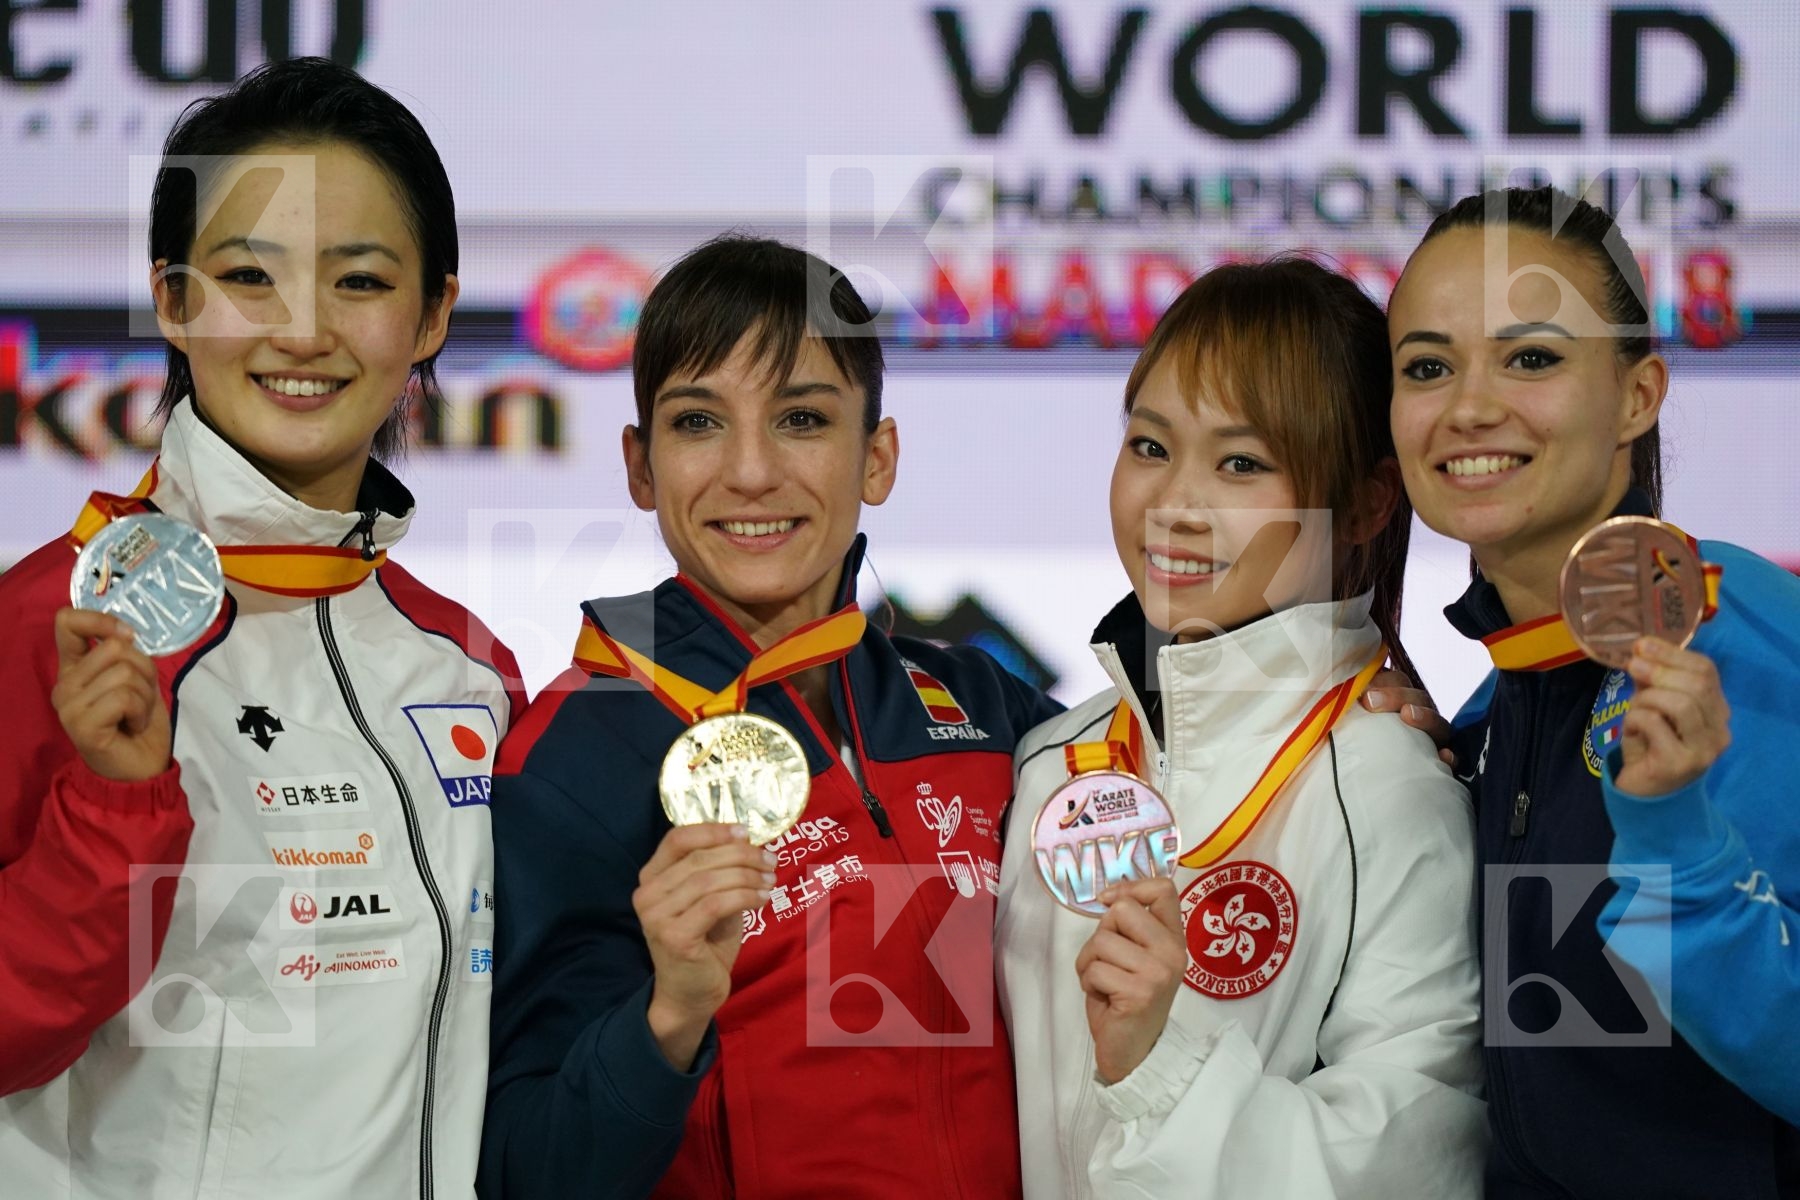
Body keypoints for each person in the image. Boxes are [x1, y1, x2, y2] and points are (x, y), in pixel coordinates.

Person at [0, 58, 522, 1197]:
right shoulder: (48, 623)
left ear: (432, 312)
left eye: (360, 281)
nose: (302, 331)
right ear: (174, 302)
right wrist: (109, 816)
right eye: (248, 275)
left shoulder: (466, 667)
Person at [477, 235, 1063, 1199]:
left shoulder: (984, 706)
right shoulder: (578, 754)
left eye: (801, 418)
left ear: (877, 457)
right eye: (699, 421)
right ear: (639, 466)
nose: (750, 473)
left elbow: (1205, 787)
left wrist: (1360, 698)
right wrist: (666, 1020)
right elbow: (526, 1171)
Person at [995, 257, 1487, 1199]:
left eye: (1241, 463)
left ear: (1367, 503)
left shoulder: (1392, 786)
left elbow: (1410, 1164)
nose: (1174, 504)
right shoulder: (1051, 762)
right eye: (1149, 447)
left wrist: (1160, 1069)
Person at [1390, 185, 1800, 1196]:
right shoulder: (1508, 698)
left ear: (1636, 396)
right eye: (1428, 366)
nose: (1470, 405)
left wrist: (1681, 848)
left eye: (1532, 357)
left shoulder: (1740, 637)